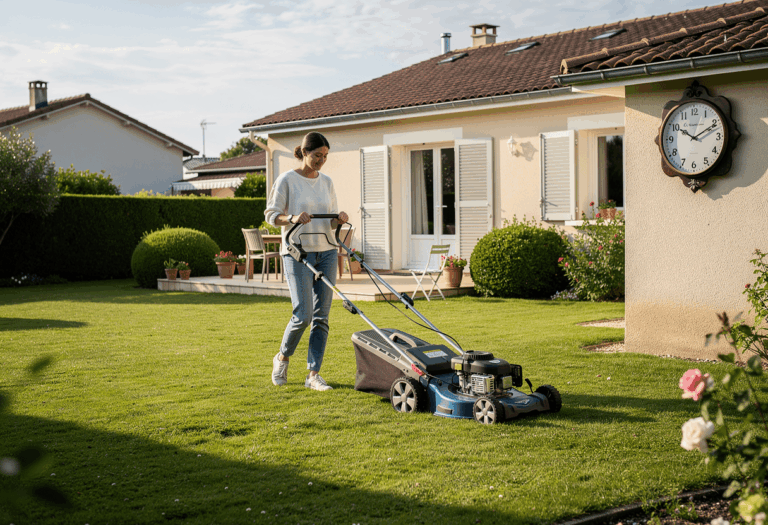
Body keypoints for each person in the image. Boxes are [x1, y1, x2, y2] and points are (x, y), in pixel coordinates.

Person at [265, 131, 349, 391]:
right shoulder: (286, 180)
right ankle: (282, 358)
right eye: (317, 155)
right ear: (304, 152)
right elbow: (271, 215)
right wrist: (291, 218)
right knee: (303, 315)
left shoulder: (327, 182)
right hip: (297, 252)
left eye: (325, 156)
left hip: (326, 252)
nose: (321, 161)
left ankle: (313, 375)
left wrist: (339, 219)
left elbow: (330, 221)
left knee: (321, 317)